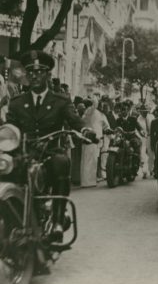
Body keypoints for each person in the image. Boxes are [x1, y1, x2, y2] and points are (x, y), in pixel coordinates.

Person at [7, 50, 95, 241]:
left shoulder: (60, 101)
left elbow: (75, 120)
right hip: (23, 152)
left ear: (48, 74)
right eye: (31, 72)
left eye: (40, 72)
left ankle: (56, 219)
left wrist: (86, 131)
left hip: (50, 152)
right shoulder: (17, 103)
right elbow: (10, 127)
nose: (35, 76)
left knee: (61, 162)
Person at [80, 95, 110, 187]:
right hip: (90, 139)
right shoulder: (89, 111)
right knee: (88, 160)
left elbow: (105, 126)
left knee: (93, 161)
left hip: (96, 140)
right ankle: (86, 182)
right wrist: (96, 97)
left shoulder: (99, 114)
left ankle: (91, 181)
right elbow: (95, 102)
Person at [137, 103, 155, 179]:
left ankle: (151, 169)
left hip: (150, 137)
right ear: (140, 112)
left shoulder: (152, 117)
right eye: (143, 111)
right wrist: (140, 136)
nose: (144, 112)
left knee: (151, 154)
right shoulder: (138, 119)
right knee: (142, 154)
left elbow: (154, 127)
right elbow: (137, 130)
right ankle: (144, 171)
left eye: (146, 111)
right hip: (143, 138)